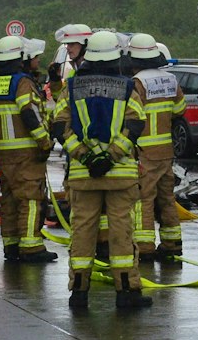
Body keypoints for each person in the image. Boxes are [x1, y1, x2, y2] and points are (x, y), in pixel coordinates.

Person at [53, 30, 150, 311]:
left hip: (84, 176)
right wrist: (111, 155)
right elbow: (135, 123)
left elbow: (60, 126)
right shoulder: (127, 87)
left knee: (82, 231)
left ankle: (79, 294)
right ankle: (126, 293)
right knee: (121, 231)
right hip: (120, 174)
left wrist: (85, 156)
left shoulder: (70, 87)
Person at [0, 35, 58, 264]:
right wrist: (44, 141)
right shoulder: (22, 82)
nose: (37, 62)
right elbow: (29, 112)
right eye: (34, 58)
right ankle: (31, 247)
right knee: (30, 199)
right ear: (21, 58)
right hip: (26, 152)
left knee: (9, 200)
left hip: (4, 153)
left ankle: (11, 245)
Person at [126, 33, 184, 262]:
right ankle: (172, 244)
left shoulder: (137, 83)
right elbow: (180, 109)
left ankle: (145, 246)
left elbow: (131, 116)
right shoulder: (170, 79)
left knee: (144, 199)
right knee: (167, 198)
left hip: (144, 152)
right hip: (166, 151)